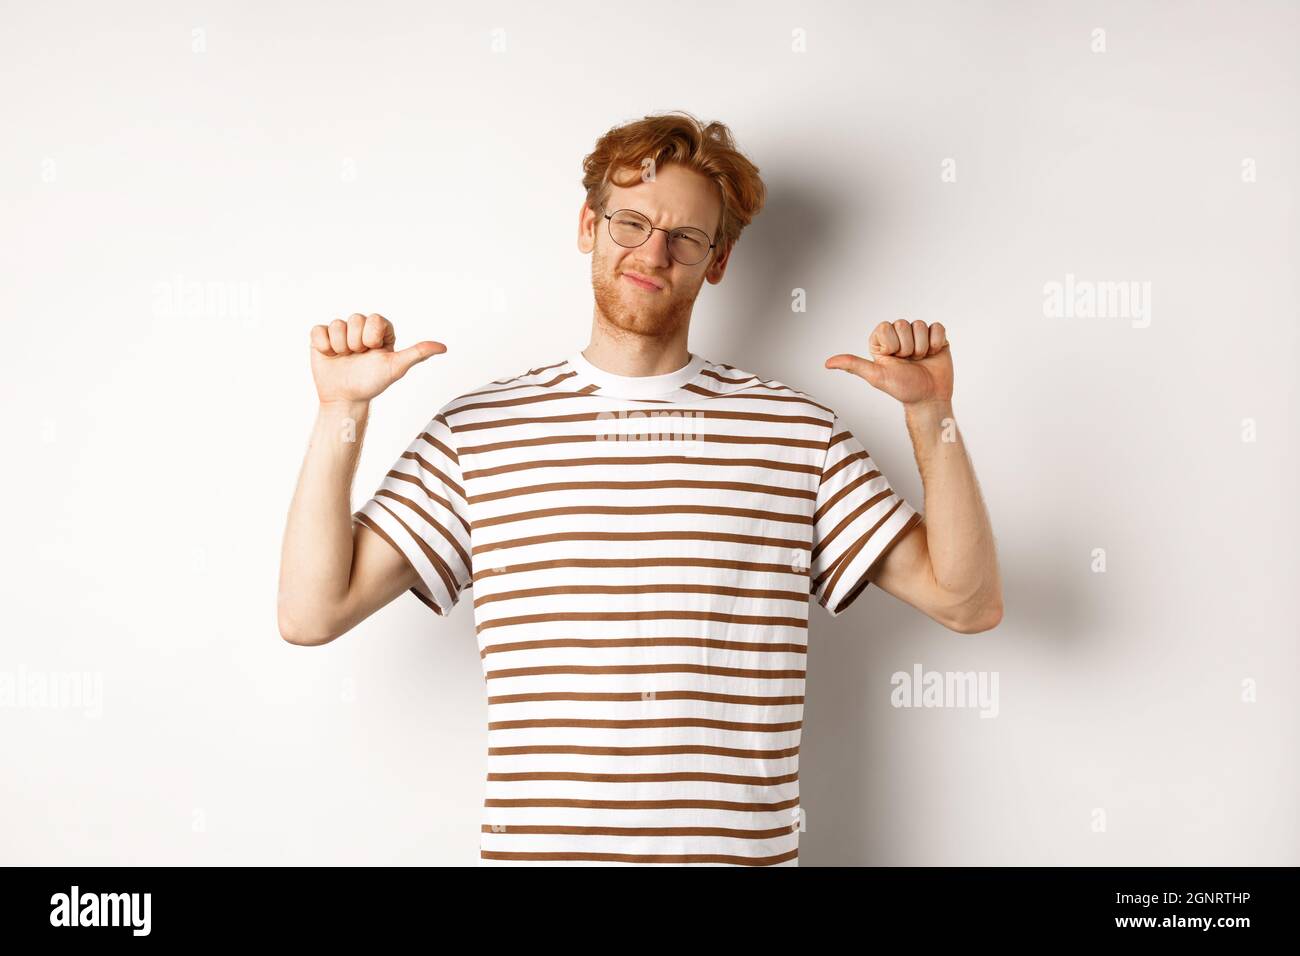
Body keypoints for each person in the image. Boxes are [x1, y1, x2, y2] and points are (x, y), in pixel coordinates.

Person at [277, 111, 1002, 866]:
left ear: (716, 262)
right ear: (588, 224)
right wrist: (341, 412)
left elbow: (968, 600)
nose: (653, 253)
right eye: (630, 222)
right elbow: (310, 612)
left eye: (686, 237)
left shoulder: (797, 434)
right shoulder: (478, 431)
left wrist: (931, 414)